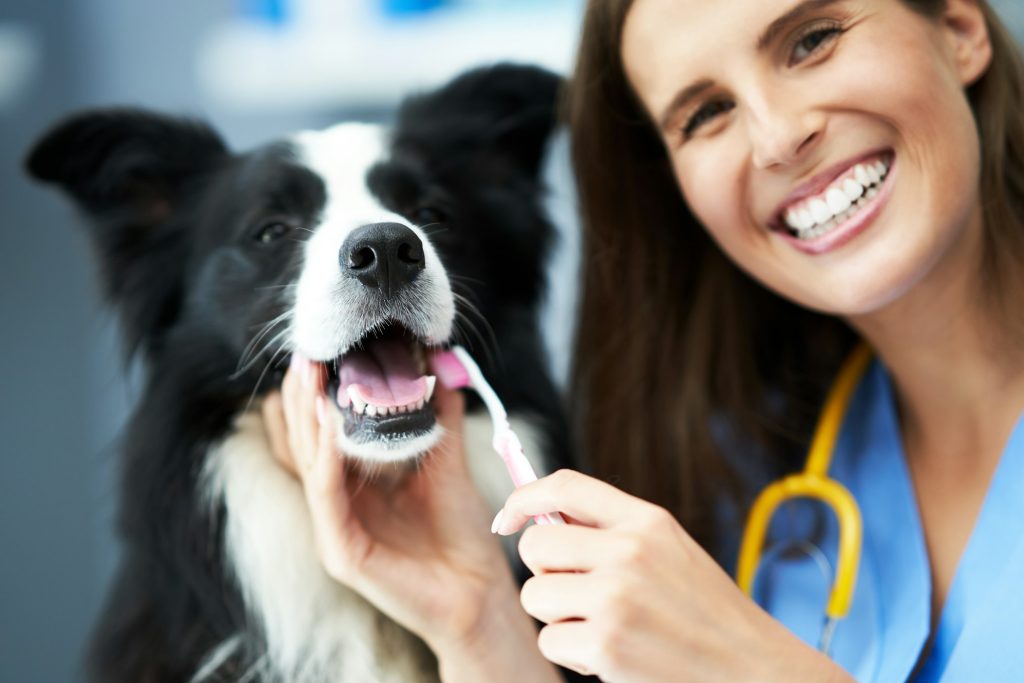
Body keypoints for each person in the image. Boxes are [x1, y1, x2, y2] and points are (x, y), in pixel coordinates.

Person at [262, 0, 1024, 680]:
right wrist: (476, 617)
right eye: (705, 113)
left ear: (960, 27)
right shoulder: (742, 476)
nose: (778, 138)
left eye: (812, 39)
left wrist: (752, 663)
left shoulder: (713, 589)